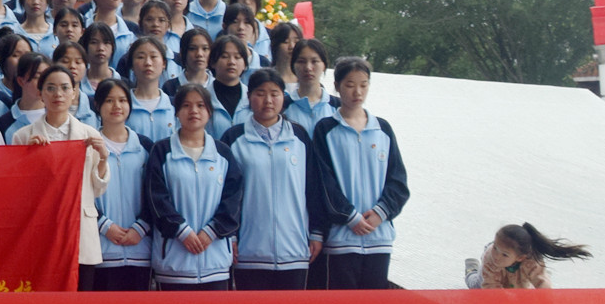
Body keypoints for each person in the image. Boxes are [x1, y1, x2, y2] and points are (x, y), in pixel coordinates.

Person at [218, 69, 327, 290]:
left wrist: (316, 232)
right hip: (249, 250)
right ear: (249, 97)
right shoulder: (233, 138)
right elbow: (225, 194)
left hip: (294, 249)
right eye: (260, 93)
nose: (268, 100)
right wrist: (230, 236)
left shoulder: (299, 137)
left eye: (274, 94)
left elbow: (313, 187)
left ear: (283, 97)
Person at [311, 57, 410, 289]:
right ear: (337, 86)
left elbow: (398, 181)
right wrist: (351, 217)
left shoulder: (382, 129)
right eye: (350, 84)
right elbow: (323, 182)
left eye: (364, 85)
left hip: (379, 237)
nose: (357, 92)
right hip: (342, 238)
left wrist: (380, 213)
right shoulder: (326, 129)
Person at [11, 64, 110, 287]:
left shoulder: (89, 135)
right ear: (40, 93)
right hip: (41, 228)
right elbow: (17, 193)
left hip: (80, 228)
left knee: (81, 297)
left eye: (65, 88)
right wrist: (28, 158)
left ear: (74, 93)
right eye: (51, 88)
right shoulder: (23, 137)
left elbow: (98, 189)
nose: (58, 94)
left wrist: (103, 159)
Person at [143, 85, 242, 290]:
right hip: (173, 262)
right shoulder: (161, 151)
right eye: (186, 105)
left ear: (210, 112)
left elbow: (233, 198)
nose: (193, 111)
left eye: (200, 105)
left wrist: (212, 231)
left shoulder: (223, 153)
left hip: (215, 261)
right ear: (177, 112)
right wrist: (182, 232)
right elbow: (156, 198)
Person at [89, 79, 154, 292]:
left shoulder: (146, 146)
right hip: (101, 249)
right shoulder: (89, 146)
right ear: (97, 105)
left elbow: (156, 194)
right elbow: (80, 194)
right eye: (109, 100)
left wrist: (141, 227)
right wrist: (104, 226)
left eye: (123, 100)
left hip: (140, 248)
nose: (116, 106)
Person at [466, 222, 592, 289]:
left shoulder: (531, 261)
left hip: (520, 275)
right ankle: (471, 269)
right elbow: (491, 290)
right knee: (475, 286)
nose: (497, 256)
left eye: (504, 255)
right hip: (489, 276)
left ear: (520, 258)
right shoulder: (491, 257)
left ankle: (537, 273)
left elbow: (543, 287)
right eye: (495, 248)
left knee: (524, 288)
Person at [124, 37, 177, 144]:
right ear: (131, 65)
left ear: (164, 63)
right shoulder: (124, 105)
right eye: (141, 57)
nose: (148, 63)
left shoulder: (174, 105)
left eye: (153, 57)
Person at [204, 34, 250, 142]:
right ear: (213, 62)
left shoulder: (252, 97)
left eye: (237, 57)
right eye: (224, 56)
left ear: (244, 64)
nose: (232, 62)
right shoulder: (203, 98)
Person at [285, 38, 335, 134]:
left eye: (314, 61)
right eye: (301, 61)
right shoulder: (282, 107)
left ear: (324, 65)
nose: (308, 68)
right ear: (293, 66)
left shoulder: (337, 106)